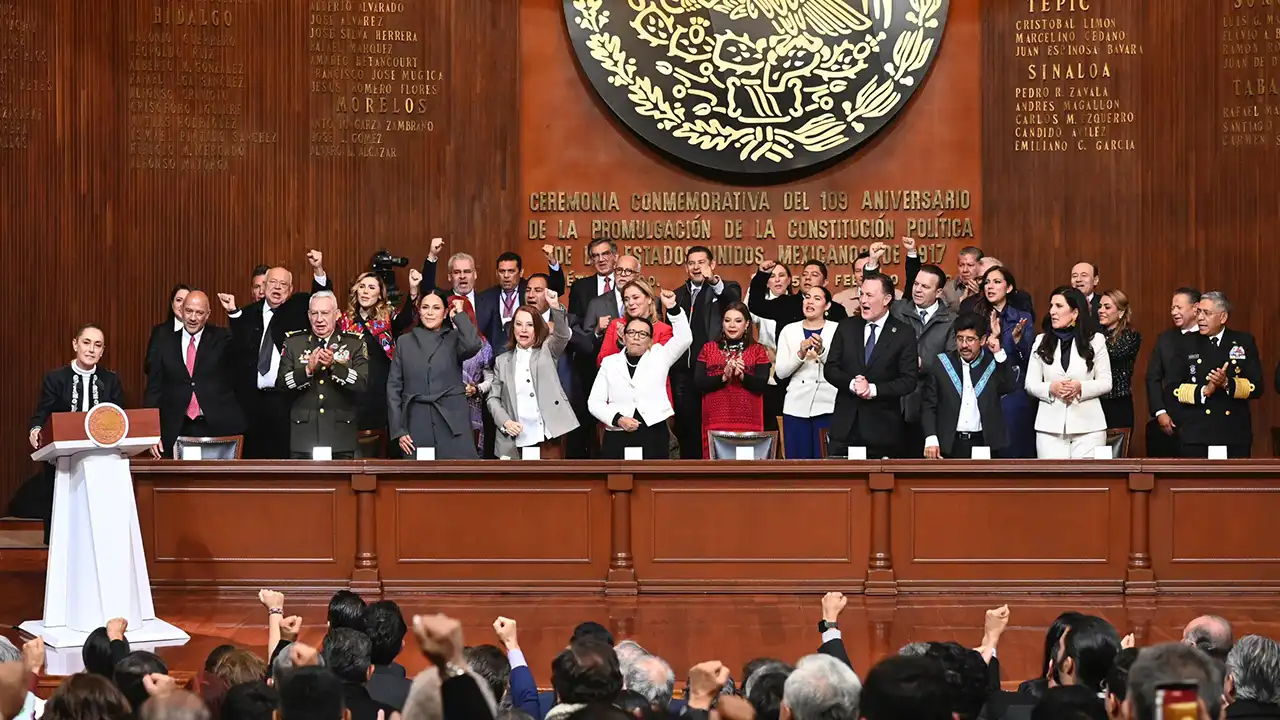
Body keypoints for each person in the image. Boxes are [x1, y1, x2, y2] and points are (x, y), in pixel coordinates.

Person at [221, 251, 330, 459]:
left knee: (284, 461)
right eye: (273, 282)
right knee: (253, 461)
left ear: (290, 290)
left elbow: (322, 299)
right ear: (263, 286)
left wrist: (318, 269)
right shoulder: (248, 313)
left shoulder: (298, 309)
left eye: (283, 284)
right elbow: (238, 350)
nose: (277, 288)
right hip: (251, 403)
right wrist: (233, 313)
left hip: (286, 402)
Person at [27, 325, 125, 543]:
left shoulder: (110, 380)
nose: (91, 349)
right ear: (75, 344)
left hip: (99, 457)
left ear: (102, 351)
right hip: (62, 457)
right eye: (86, 343)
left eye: (97, 345)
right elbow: (43, 412)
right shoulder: (56, 378)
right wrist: (36, 429)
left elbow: (119, 416)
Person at [825, 274, 919, 459]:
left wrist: (873, 390)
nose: (863, 300)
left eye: (869, 295)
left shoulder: (903, 333)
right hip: (845, 429)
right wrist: (852, 384)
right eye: (862, 294)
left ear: (886, 299)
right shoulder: (846, 327)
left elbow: (909, 381)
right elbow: (830, 368)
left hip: (883, 432)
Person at [589, 290, 690, 459]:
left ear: (650, 340)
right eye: (631, 333)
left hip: (653, 431)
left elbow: (684, 338)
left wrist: (672, 307)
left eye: (642, 334)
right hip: (618, 432)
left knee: (652, 475)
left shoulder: (659, 355)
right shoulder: (610, 363)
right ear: (624, 337)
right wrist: (618, 419)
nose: (636, 337)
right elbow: (594, 402)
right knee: (616, 475)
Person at [146, 291, 246, 456]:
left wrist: (233, 312)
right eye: (189, 311)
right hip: (175, 427)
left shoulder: (221, 338)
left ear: (208, 315)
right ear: (181, 311)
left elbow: (244, 343)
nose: (193, 317)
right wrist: (151, 432)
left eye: (199, 313)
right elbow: (153, 389)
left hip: (216, 426)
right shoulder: (164, 342)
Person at [388, 290, 483, 459]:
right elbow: (393, 388)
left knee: (458, 473)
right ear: (419, 311)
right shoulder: (404, 342)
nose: (430, 312)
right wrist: (399, 430)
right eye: (425, 307)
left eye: (436, 308)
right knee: (420, 474)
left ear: (445, 313)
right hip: (417, 421)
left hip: (453, 421)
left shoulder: (454, 338)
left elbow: (473, 345)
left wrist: (459, 316)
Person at [487, 290, 580, 459]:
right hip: (515, 435)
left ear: (537, 328)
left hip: (548, 436)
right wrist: (505, 422)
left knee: (550, 476)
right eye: (519, 324)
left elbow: (562, 335)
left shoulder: (547, 350)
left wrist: (555, 307)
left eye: (529, 325)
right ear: (513, 328)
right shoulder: (502, 361)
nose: (523, 330)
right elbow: (493, 398)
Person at [276, 291, 370, 459]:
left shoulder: (354, 343)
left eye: (325, 313)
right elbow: (282, 384)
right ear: (308, 315)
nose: (319, 319)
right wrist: (307, 370)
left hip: (341, 437)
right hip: (303, 437)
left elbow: (362, 384)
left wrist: (334, 366)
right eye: (314, 313)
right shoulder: (293, 342)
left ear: (337, 314)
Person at [671, 246, 743, 459]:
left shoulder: (726, 288)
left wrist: (713, 282)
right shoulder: (678, 295)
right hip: (684, 372)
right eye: (691, 263)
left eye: (701, 262)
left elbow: (733, 304)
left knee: (714, 424)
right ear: (686, 267)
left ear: (712, 265)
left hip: (714, 369)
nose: (696, 267)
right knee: (687, 427)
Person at [1025, 287, 1112, 459]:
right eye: (1051, 306)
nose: (1052, 311)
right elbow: (1030, 384)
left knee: (1087, 476)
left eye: (1059, 306)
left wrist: (1080, 387)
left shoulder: (1095, 341)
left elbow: (1106, 382)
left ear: (1075, 313)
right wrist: (1051, 388)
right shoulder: (1041, 341)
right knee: (1053, 477)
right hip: (1049, 429)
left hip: (1089, 428)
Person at [336, 270, 420, 445]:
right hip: (353, 392)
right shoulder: (344, 320)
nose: (365, 291)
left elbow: (406, 319)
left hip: (381, 391)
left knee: (383, 442)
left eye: (371, 287)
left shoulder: (387, 316)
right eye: (362, 286)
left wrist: (413, 289)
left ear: (380, 294)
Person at [1174, 291, 1262, 458]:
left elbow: (1257, 387)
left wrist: (1227, 383)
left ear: (1223, 317)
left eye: (1206, 313)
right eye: (1198, 312)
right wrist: (1204, 390)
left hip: (1234, 434)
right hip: (1197, 435)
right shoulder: (1185, 343)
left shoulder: (1243, 342)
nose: (1200, 318)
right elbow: (1172, 387)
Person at [921, 313, 1015, 459]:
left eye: (970, 339)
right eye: (960, 339)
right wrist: (931, 437)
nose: (964, 345)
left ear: (982, 340)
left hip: (983, 443)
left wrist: (998, 352)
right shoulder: (942, 363)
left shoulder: (992, 363)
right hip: (949, 444)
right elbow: (928, 405)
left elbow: (1009, 386)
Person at [973, 266, 1036, 457]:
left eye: (996, 282)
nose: (990, 286)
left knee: (1014, 451)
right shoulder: (976, 317)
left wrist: (1017, 340)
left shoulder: (1022, 318)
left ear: (1008, 288)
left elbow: (1028, 358)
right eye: (987, 282)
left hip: (1014, 393)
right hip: (982, 390)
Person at [694, 301, 770, 458]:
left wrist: (742, 376)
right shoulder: (708, 348)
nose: (732, 325)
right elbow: (699, 382)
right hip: (716, 420)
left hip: (748, 421)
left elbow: (761, 384)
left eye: (738, 320)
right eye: (727, 320)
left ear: (747, 324)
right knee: (717, 469)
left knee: (746, 467)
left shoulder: (758, 350)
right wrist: (723, 377)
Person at [774, 287, 839, 459]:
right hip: (796, 407)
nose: (810, 301)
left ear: (827, 306)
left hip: (828, 406)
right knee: (798, 465)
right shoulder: (789, 330)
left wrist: (822, 351)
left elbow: (843, 368)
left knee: (825, 463)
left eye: (817, 298)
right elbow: (781, 373)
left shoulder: (838, 329)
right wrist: (800, 354)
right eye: (807, 297)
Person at [471, 246, 566, 353]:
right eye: (502, 271)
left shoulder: (529, 290)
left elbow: (557, 288)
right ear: (497, 273)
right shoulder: (485, 297)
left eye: (511, 271)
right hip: (496, 354)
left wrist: (553, 262)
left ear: (521, 273)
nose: (506, 275)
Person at [1145, 288, 1202, 458]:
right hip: (1171, 418)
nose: (1174, 312)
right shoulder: (1165, 339)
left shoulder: (1208, 336)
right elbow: (1153, 378)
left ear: (1195, 308)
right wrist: (1160, 412)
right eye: (1172, 308)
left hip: (1201, 420)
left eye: (1179, 307)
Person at [748, 263, 791, 431]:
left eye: (782, 275)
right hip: (768, 367)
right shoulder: (763, 305)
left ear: (789, 280)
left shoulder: (796, 304)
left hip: (792, 365)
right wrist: (756, 283)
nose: (777, 280)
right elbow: (747, 314)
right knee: (770, 419)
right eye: (772, 276)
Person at [455, 296, 496, 457]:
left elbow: (491, 377)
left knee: (472, 455)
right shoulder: (439, 342)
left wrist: (477, 389)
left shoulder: (482, 344)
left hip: (472, 408)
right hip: (444, 406)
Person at [1097, 290, 1142, 434]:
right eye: (1100, 306)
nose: (1101, 310)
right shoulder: (1096, 334)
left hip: (1118, 403)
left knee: (1116, 446)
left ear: (1121, 312)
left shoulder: (1130, 335)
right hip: (1096, 402)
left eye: (1107, 307)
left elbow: (1111, 354)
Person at [144, 284, 190, 376]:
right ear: (172, 304)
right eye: (179, 300)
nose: (182, 305)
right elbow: (149, 365)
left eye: (187, 301)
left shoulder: (204, 332)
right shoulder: (160, 332)